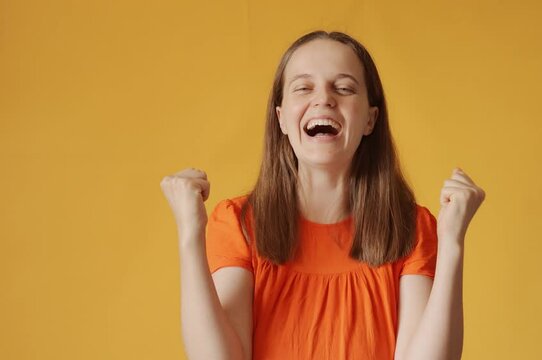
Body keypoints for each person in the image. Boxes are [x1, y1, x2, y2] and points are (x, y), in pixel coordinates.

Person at [160, 30, 485, 360]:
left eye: (344, 88)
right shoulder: (238, 224)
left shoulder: (412, 228)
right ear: (282, 118)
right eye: (304, 87)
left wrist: (452, 243)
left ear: (370, 119)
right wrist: (190, 236)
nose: (324, 99)